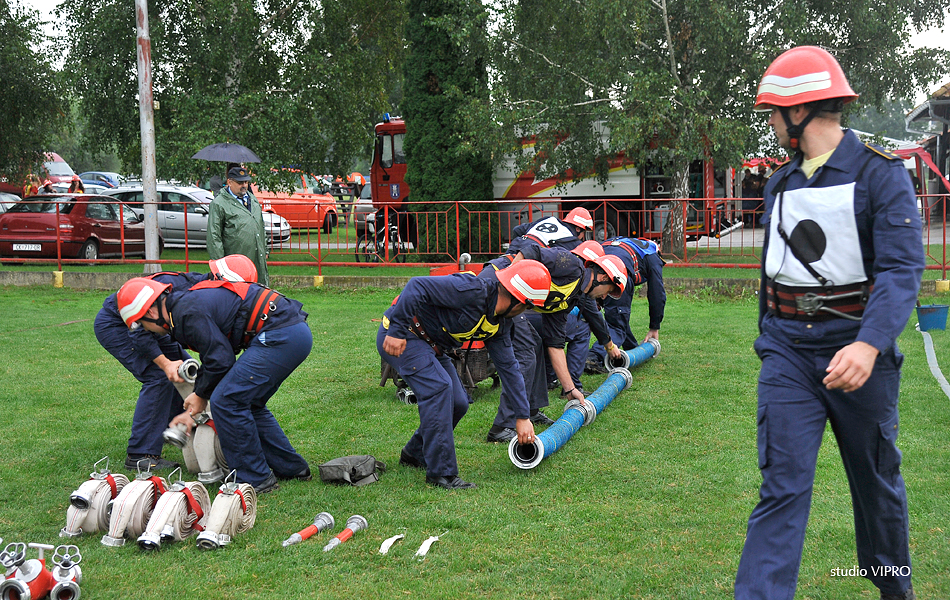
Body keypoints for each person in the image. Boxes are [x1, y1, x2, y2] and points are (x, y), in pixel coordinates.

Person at [734, 46, 923, 600]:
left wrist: (868, 346)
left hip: (861, 357)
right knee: (781, 488)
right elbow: (775, 276)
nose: (770, 122)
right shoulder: (779, 185)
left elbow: (901, 269)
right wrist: (771, 343)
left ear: (802, 112)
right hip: (790, 356)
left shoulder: (881, 176)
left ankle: (895, 589)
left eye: (773, 111)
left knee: (876, 487)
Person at [118, 266, 311, 494]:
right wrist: (199, 395)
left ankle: (254, 480)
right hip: (289, 332)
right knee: (247, 402)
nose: (146, 331)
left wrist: (200, 396)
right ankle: (290, 468)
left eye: (141, 324)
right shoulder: (181, 307)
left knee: (227, 401)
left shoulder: (184, 313)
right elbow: (217, 356)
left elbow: (221, 359)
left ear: (150, 312)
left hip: (281, 334)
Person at [379, 261, 552, 489]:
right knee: (439, 389)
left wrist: (522, 416)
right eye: (528, 307)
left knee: (459, 403)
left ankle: (414, 454)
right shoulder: (471, 290)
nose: (526, 313)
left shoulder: (500, 324)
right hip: (404, 336)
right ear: (518, 300)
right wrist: (397, 330)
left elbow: (510, 368)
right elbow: (417, 285)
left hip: (433, 347)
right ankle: (442, 474)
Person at [95, 255, 258, 471]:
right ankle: (140, 454)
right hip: (121, 326)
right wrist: (164, 363)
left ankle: (172, 428)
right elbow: (138, 331)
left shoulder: (202, 294)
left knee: (190, 373)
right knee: (159, 377)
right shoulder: (173, 289)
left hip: (154, 327)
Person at [482, 245, 626, 442]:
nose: (603, 297)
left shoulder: (569, 298)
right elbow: (529, 251)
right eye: (608, 291)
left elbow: (555, 346)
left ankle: (531, 409)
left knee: (537, 343)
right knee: (525, 352)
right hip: (497, 284)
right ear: (602, 278)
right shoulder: (571, 266)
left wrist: (570, 389)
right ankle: (503, 426)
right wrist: (511, 288)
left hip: (510, 296)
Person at [586, 237, 666, 373]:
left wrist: (633, 349)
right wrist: (654, 327)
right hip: (616, 275)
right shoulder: (652, 255)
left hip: (593, 273)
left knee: (610, 317)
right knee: (616, 326)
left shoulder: (621, 242)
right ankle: (594, 356)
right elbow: (657, 293)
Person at [208, 166, 269, 286]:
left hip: (257, 259)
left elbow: (260, 225)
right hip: (235, 264)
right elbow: (214, 236)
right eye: (240, 182)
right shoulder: (219, 203)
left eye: (246, 182)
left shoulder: (252, 199)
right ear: (229, 182)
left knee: (259, 295)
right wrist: (220, 266)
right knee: (238, 296)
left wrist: (265, 249)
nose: (244, 185)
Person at [506, 207, 594, 256]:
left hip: (517, 245)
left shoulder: (549, 219)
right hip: (531, 256)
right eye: (584, 232)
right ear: (578, 229)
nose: (583, 237)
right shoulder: (572, 240)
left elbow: (517, 230)